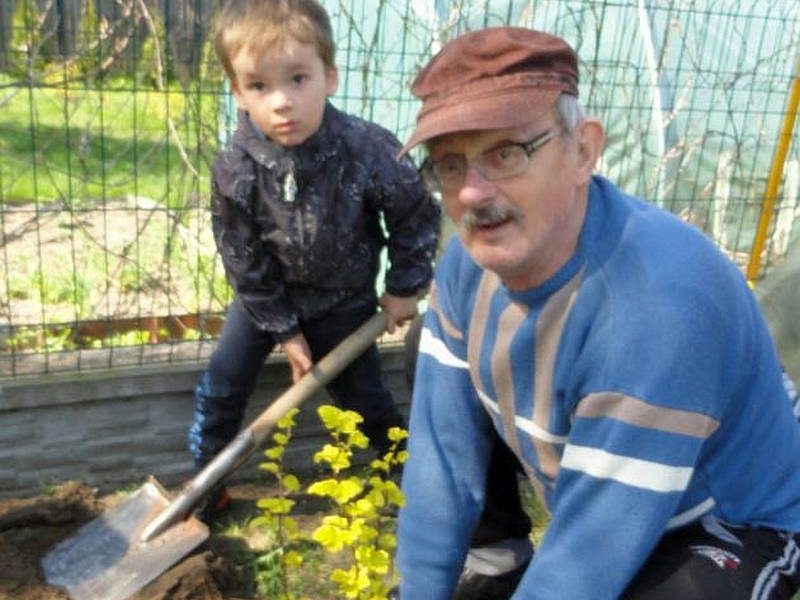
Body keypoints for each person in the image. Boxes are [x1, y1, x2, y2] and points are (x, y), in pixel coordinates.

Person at [395, 26, 800, 599]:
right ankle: (495, 563)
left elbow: (585, 563)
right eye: (450, 164)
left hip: (726, 512)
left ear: (583, 149)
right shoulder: (469, 263)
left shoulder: (662, 305)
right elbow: (441, 464)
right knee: (427, 348)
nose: (471, 194)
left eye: (505, 153)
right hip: (605, 488)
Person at [188, 0, 440, 522]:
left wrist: (403, 287)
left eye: (298, 79)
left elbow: (415, 215)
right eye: (259, 86)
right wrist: (282, 329)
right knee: (221, 390)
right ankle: (205, 489)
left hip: (344, 304)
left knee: (366, 399)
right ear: (237, 92)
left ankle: (403, 474)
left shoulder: (367, 150)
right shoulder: (236, 168)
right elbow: (243, 257)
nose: (282, 102)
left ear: (329, 76)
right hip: (264, 304)